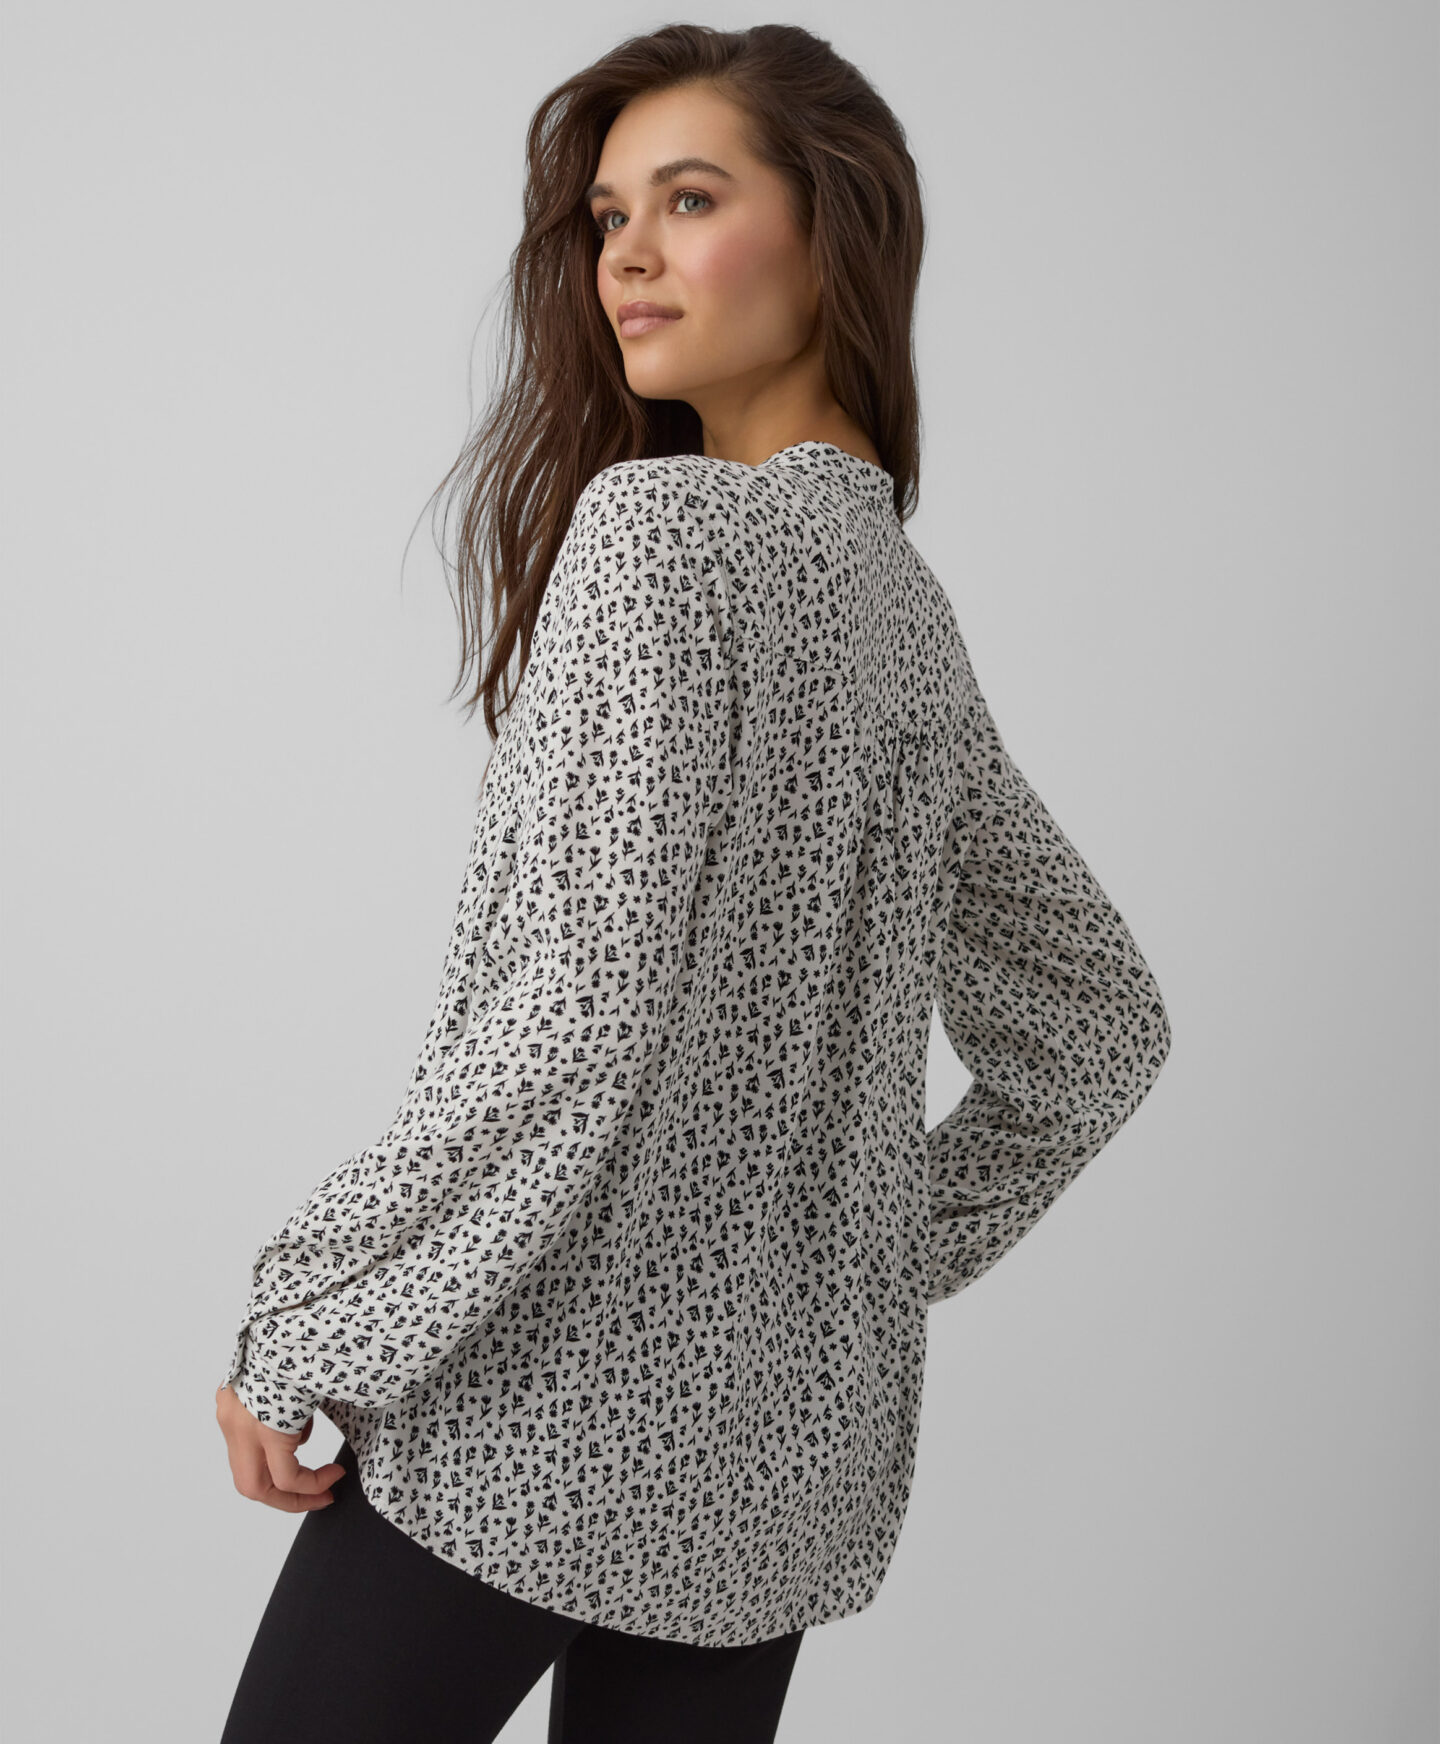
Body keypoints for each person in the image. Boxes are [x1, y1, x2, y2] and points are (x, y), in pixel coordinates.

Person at [215, 22, 1173, 1744]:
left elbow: (577, 1021)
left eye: (691, 199)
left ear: (833, 229)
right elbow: (1098, 1030)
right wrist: (846, 1262)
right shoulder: (901, 610)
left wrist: (313, 1316)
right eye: (608, 216)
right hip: (779, 1471)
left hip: (539, 1419)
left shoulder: (658, 536)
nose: (628, 258)